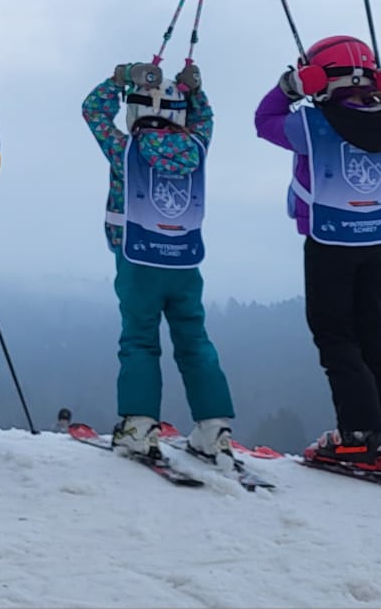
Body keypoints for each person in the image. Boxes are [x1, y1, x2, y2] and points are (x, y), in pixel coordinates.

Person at [254, 34, 381, 472]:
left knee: (337, 338)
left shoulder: (312, 126)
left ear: (320, 78)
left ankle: (359, 435)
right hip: (376, 240)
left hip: (329, 241)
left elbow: (265, 120)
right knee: (375, 335)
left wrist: (289, 86)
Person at [82, 60, 236, 463]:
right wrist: (194, 90)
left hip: (138, 259)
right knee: (194, 341)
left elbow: (93, 110)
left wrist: (120, 79)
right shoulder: (198, 147)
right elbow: (205, 117)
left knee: (139, 340)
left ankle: (139, 424)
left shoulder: (125, 150)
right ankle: (213, 427)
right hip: (184, 263)